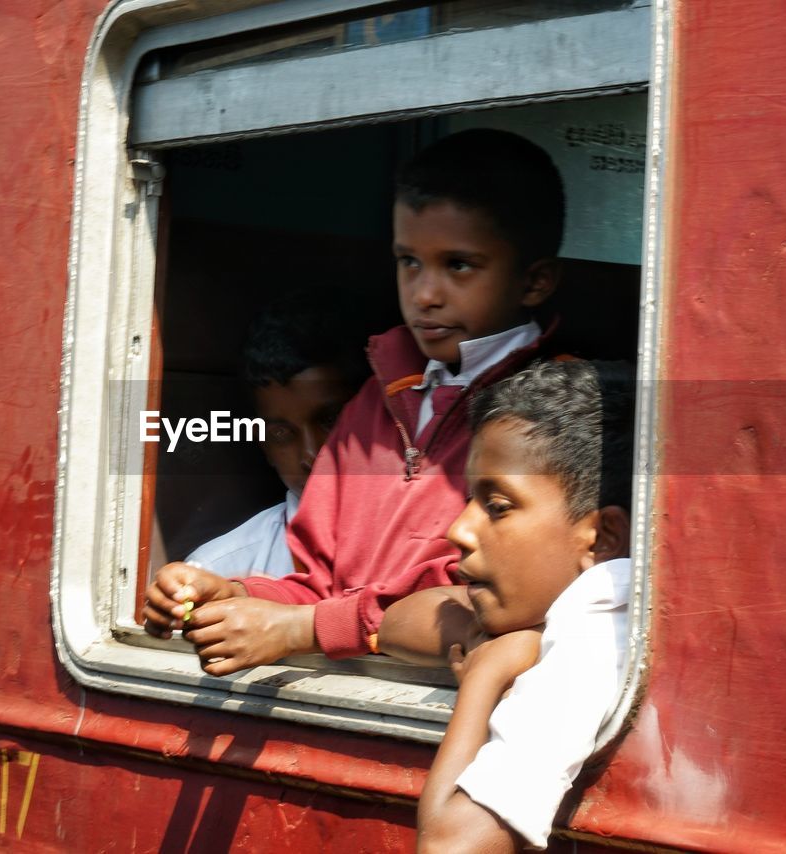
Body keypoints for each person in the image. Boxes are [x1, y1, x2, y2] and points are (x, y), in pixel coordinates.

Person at [144, 129, 564, 675]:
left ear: (534, 281)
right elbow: (317, 580)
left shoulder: (550, 415)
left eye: (458, 265)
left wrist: (309, 627)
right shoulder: (377, 399)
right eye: (408, 262)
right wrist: (233, 592)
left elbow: (487, 606)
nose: (424, 293)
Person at [379, 360, 634, 853]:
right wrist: (489, 637)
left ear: (602, 538)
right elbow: (399, 619)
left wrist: (483, 675)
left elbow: (450, 846)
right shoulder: (557, 593)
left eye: (497, 506)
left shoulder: (599, 629)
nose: (459, 530)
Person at [185, 291, 368, 577]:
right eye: (282, 433)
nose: (311, 454)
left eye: (330, 420)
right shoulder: (220, 571)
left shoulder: (420, 550)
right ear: (263, 443)